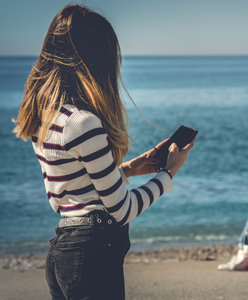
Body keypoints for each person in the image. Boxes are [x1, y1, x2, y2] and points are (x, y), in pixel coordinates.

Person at [13, 4, 195, 299]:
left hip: (62, 252)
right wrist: (169, 172)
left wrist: (128, 170)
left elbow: (69, 193)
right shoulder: (83, 122)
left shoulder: (45, 118)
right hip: (92, 255)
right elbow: (122, 210)